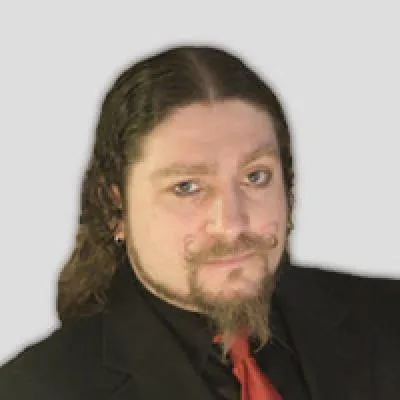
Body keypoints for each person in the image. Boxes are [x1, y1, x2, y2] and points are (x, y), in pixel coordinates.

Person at [0, 45, 399, 400]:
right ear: (115, 208)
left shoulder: (388, 319)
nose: (232, 224)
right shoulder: (33, 390)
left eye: (255, 176)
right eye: (187, 186)